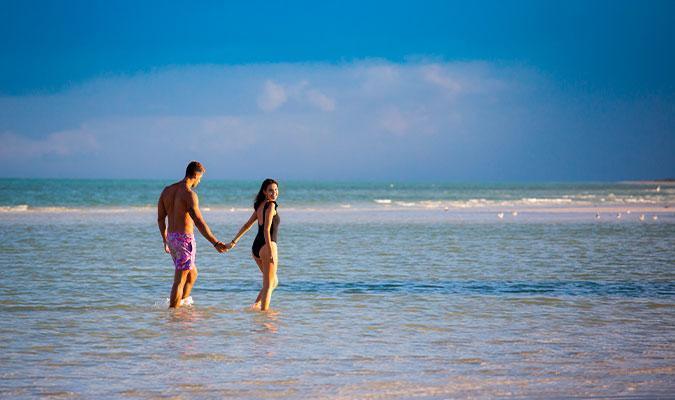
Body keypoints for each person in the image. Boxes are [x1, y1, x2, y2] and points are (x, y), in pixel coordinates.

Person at [157, 161, 230, 308]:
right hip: (184, 241)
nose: (199, 181)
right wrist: (215, 242)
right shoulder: (190, 195)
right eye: (200, 178)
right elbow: (199, 222)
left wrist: (165, 239)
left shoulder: (167, 191)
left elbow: (160, 218)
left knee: (192, 274)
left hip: (172, 238)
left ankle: (182, 304)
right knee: (180, 279)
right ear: (196, 175)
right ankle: (174, 313)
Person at [229, 179, 280, 311]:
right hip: (267, 246)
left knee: (273, 281)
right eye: (271, 190)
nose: (274, 193)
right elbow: (266, 229)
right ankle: (265, 316)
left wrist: (234, 241)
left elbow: (247, 225)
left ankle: (255, 306)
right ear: (264, 191)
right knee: (269, 285)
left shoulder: (260, 205)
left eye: (276, 190)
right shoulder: (271, 206)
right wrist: (269, 251)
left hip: (256, 248)